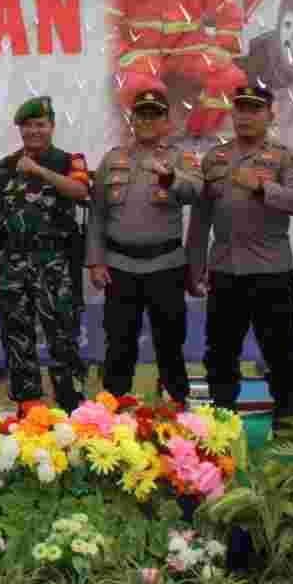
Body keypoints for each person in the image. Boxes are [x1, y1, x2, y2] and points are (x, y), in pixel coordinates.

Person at [186, 82, 293, 428]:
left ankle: (285, 419)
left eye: (255, 109)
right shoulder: (215, 158)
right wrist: (195, 266)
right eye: (240, 109)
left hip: (271, 270)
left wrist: (261, 186)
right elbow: (200, 219)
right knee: (220, 353)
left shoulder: (287, 157)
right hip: (224, 270)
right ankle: (223, 421)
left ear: (270, 115)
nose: (246, 116)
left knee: (280, 350)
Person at [85, 88, 201, 403]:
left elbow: (195, 191)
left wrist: (170, 179)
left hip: (166, 265)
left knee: (170, 344)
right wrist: (95, 261)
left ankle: (179, 411)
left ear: (166, 121)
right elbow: (96, 213)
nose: (147, 121)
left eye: (155, 115)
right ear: (132, 120)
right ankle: (111, 415)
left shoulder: (180, 157)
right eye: (142, 115)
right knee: (119, 344)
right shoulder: (112, 159)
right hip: (120, 267)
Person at [0, 96, 92, 415]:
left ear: (52, 127)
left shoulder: (69, 160)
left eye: (40, 125)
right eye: (28, 126)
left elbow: (81, 192)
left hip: (56, 262)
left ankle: (70, 406)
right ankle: (29, 407)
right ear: (20, 129)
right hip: (15, 263)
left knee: (62, 336)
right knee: (17, 337)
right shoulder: (4, 167)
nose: (34, 131)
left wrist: (39, 171)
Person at [108, 0, 247, 138]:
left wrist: (220, 47)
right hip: (142, 60)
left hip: (190, 56)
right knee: (138, 87)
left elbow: (230, 15)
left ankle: (198, 132)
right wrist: (128, 58)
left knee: (230, 78)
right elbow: (104, 31)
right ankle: (156, 136)